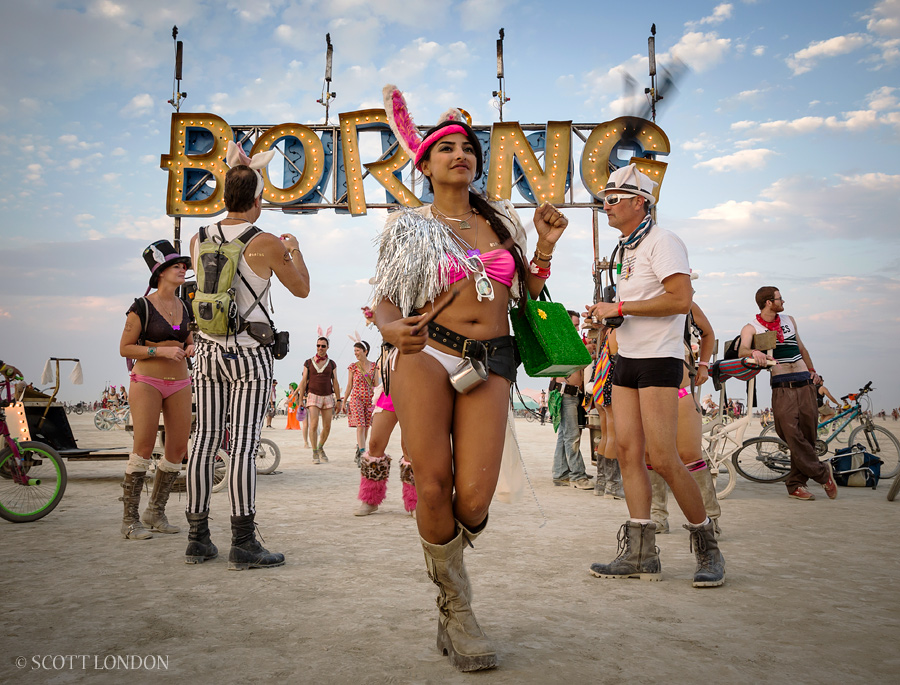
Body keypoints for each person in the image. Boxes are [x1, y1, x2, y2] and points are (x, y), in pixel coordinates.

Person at [374, 85, 568, 671]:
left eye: (467, 148)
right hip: (425, 353)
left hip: (493, 357)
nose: (460, 154)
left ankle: (448, 586)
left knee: (475, 499)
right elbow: (384, 302)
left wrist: (548, 248)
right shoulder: (407, 227)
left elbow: (528, 291)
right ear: (426, 164)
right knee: (432, 483)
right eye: (446, 148)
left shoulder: (503, 219)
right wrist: (390, 333)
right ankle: (458, 609)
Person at [584, 163, 723, 588]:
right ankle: (641, 551)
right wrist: (607, 317)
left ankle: (708, 547)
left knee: (664, 458)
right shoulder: (627, 248)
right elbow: (641, 303)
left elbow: (680, 300)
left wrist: (620, 309)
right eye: (603, 199)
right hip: (627, 359)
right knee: (628, 453)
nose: (604, 206)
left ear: (641, 203)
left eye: (613, 199)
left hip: (660, 362)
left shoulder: (664, 241)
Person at [185, 141, 310, 569]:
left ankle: (197, 537)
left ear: (225, 197)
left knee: (203, 441)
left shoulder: (198, 237)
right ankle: (243, 541)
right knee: (243, 445)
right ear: (257, 200)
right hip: (249, 354)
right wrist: (295, 251)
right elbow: (301, 289)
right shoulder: (267, 242)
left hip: (205, 351)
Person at [117, 239, 194, 540]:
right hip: (147, 381)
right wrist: (160, 352)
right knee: (144, 448)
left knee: (177, 449)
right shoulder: (141, 307)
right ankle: (129, 520)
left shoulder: (184, 305)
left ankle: (155, 512)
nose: (183, 268)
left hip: (180, 382)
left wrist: (189, 346)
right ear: (159, 272)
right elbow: (125, 348)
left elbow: (188, 338)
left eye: (184, 265)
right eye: (176, 265)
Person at [739, 286, 837, 502]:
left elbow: (801, 349)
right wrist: (755, 351)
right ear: (768, 302)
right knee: (789, 433)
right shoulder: (751, 327)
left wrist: (813, 372)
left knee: (808, 435)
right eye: (779, 298)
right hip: (782, 386)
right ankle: (822, 473)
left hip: (804, 382)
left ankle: (795, 484)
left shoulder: (789, 320)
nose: (783, 301)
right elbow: (742, 350)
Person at [649, 301, 722, 536]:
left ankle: (710, 519)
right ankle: (657, 516)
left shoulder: (685, 304)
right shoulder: (632, 298)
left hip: (680, 392)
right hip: (646, 396)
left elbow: (708, 332)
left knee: (690, 456)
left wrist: (703, 366)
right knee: (649, 457)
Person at [355, 358, 417, 517]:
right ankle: (370, 499)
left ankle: (415, 501)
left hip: (415, 392)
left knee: (409, 448)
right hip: (390, 390)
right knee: (375, 444)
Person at [549, 310, 593, 489]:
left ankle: (560, 473)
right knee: (572, 436)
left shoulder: (571, 342)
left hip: (572, 394)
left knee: (565, 435)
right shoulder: (561, 341)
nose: (577, 328)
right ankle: (577, 475)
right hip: (565, 393)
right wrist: (585, 351)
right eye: (574, 325)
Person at [586, 326, 625, 499]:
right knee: (612, 436)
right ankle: (613, 485)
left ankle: (601, 483)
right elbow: (617, 359)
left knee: (606, 435)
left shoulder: (606, 332)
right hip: (611, 386)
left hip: (600, 385)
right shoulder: (617, 331)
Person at [298, 332, 342, 463]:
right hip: (313, 395)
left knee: (327, 426)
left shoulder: (332, 363)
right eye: (318, 346)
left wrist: (339, 400)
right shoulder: (308, 362)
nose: (320, 348)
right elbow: (303, 381)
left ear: (327, 347)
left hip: (328, 396)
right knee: (314, 424)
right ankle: (314, 452)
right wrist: (300, 400)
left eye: (323, 346)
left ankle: (320, 447)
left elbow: (335, 382)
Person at [342, 339, 376, 462]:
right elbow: (349, 386)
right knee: (361, 426)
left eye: (358, 350)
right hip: (356, 398)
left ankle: (359, 448)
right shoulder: (353, 367)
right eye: (354, 350)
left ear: (365, 351)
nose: (355, 353)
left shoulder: (374, 366)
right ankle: (362, 454)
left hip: (369, 400)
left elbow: (376, 385)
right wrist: (344, 401)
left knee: (366, 427)